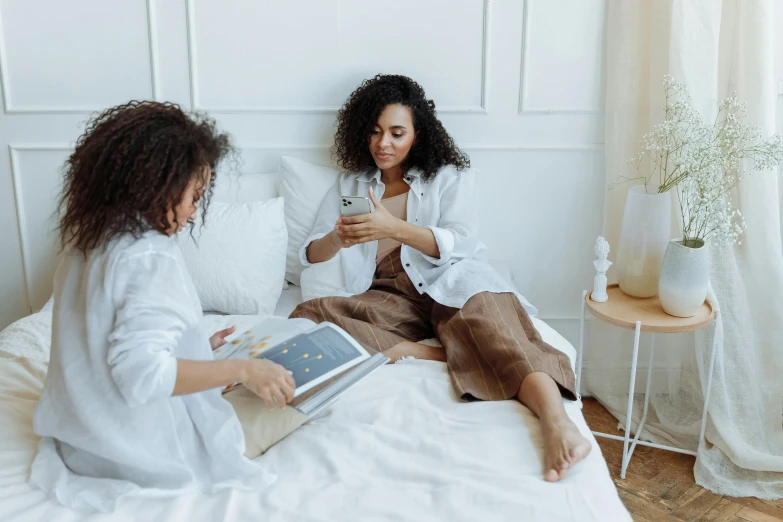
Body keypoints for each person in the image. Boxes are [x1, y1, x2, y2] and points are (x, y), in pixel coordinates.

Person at [291, 74, 591, 482]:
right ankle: (444, 352)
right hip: (387, 292)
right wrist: (336, 238)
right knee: (310, 315)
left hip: (452, 278)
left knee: (499, 323)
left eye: (397, 133)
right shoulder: (353, 184)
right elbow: (309, 255)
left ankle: (557, 422)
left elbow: (461, 242)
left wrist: (391, 228)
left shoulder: (447, 177)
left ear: (418, 133)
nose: (384, 144)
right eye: (375, 132)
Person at [30, 101, 294, 512]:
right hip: (140, 454)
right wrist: (244, 368)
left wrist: (195, 347)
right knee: (306, 399)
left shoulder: (88, 239)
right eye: (194, 195)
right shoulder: (149, 257)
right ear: (159, 185)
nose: (193, 211)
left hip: (81, 442)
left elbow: (107, 336)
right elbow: (142, 377)